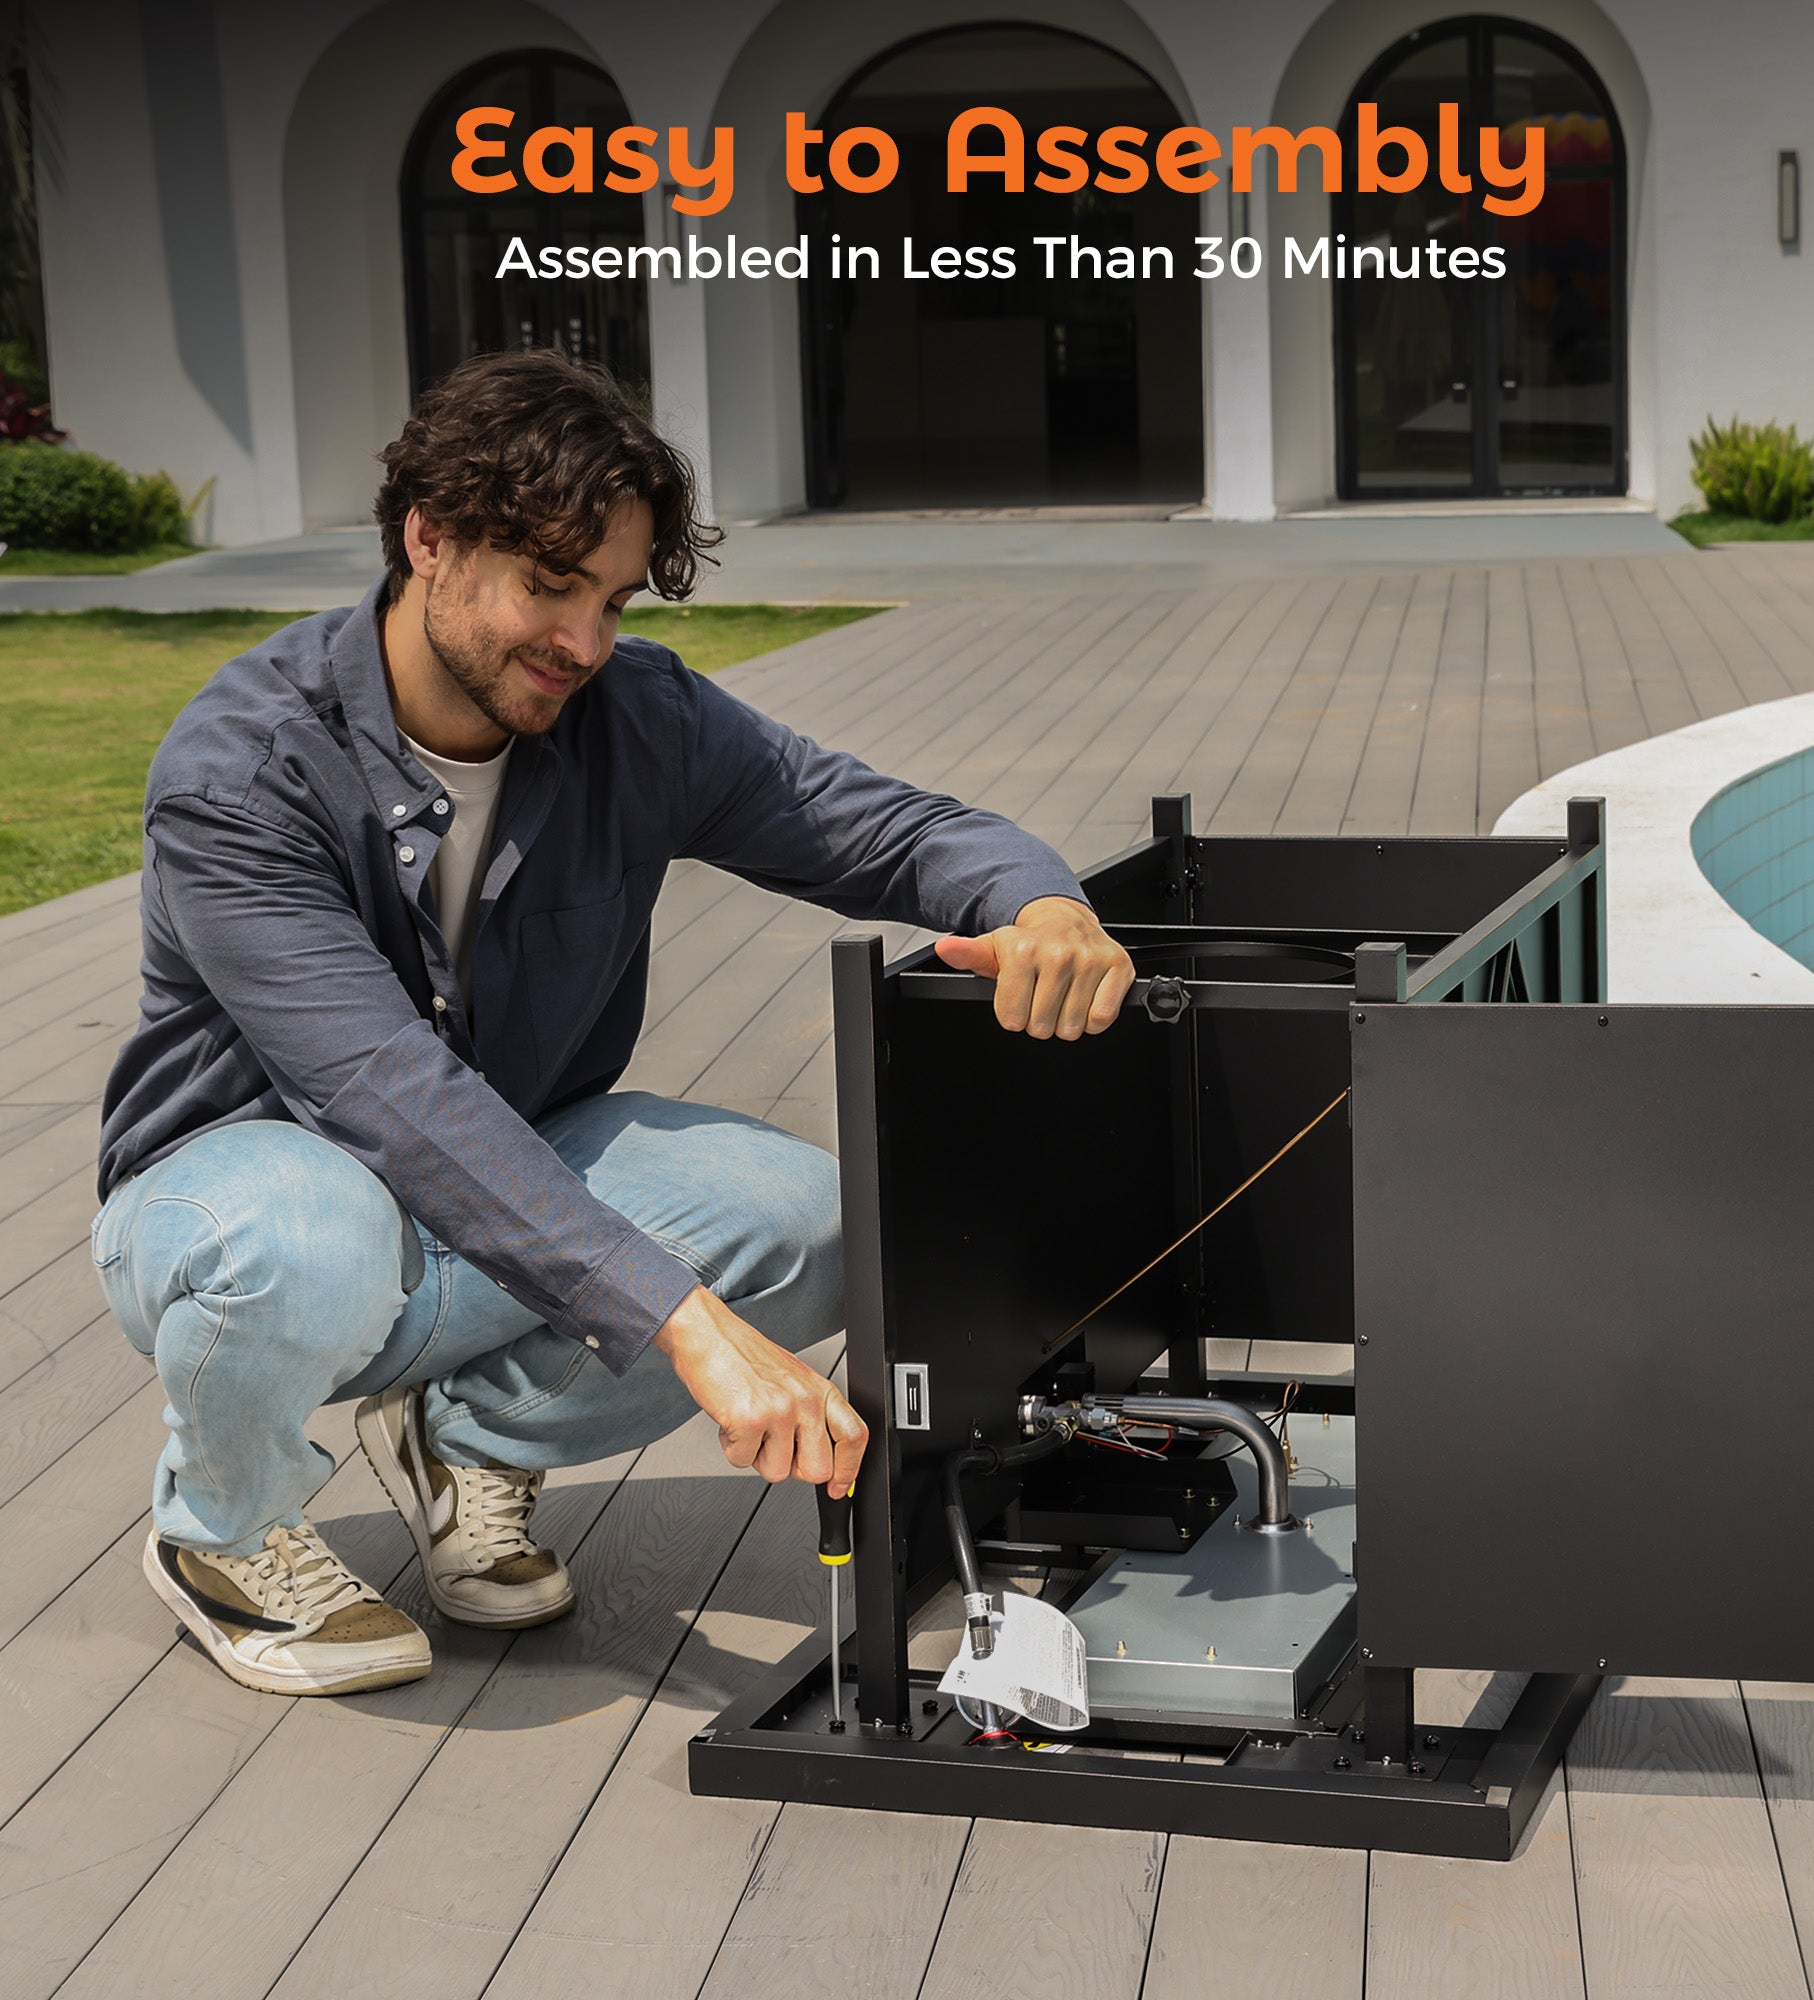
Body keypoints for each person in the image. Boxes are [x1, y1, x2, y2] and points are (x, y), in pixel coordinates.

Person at [90, 350, 1134, 1697]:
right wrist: (684, 1324)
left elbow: (891, 829)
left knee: (810, 1222)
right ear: (428, 536)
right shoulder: (242, 770)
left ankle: (467, 1443)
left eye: (612, 597)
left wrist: (1039, 902)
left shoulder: (636, 719)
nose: (584, 643)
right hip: (244, 1192)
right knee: (306, 1238)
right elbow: (385, 1092)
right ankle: (218, 1530)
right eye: (547, 583)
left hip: (494, 1189)